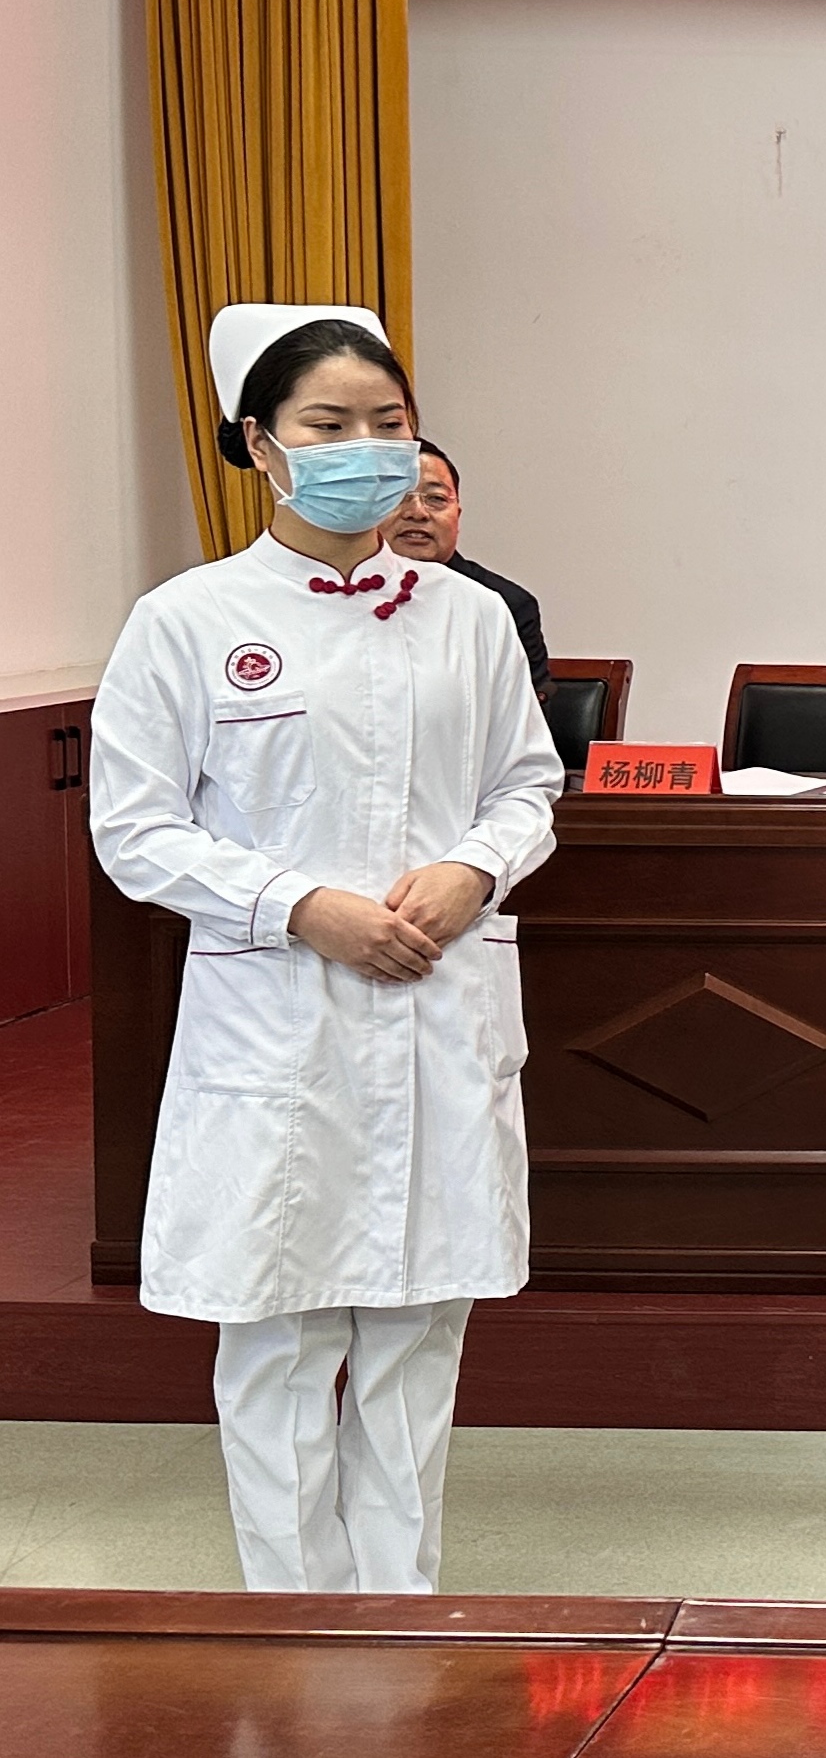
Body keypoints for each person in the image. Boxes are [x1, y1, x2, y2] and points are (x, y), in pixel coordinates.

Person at [90, 305, 562, 1593]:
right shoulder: (188, 618)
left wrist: (474, 868)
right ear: (261, 444)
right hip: (278, 1018)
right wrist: (300, 903)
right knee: (280, 1338)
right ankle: (291, 1626)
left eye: (388, 424)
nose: (367, 449)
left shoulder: (468, 615)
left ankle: (401, 1617)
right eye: (330, 424)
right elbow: (135, 828)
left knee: (417, 1335)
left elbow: (527, 782)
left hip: (440, 1005)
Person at [382, 439, 548, 696]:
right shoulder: (339, 592)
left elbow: (525, 715)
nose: (417, 512)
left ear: (457, 516)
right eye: (397, 496)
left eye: (436, 498)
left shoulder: (503, 603)